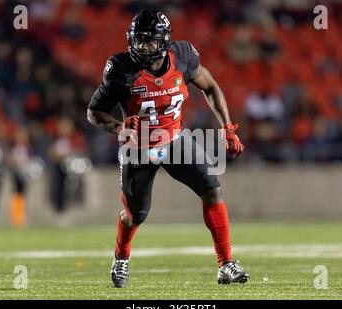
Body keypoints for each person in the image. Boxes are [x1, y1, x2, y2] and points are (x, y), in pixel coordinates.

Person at [87, 9, 249, 288]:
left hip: (175, 140)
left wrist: (227, 128)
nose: (141, 46)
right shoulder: (121, 69)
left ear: (163, 42)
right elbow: (94, 112)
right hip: (138, 147)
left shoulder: (183, 56)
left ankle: (226, 264)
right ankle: (121, 256)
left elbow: (209, 86)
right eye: (137, 39)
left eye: (148, 40)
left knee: (211, 188)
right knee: (135, 214)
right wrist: (120, 128)